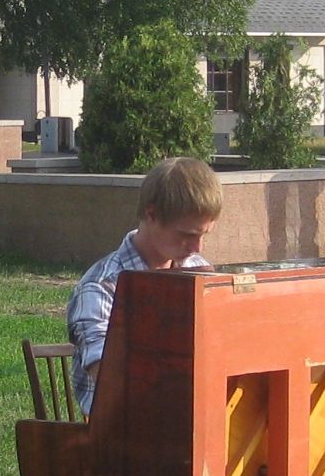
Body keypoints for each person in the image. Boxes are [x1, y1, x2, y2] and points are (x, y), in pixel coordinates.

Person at [66, 155, 222, 415]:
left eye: (204, 235)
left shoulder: (198, 269)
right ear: (152, 214)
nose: (197, 248)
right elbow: (109, 380)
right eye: (187, 235)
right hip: (122, 436)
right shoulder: (102, 286)